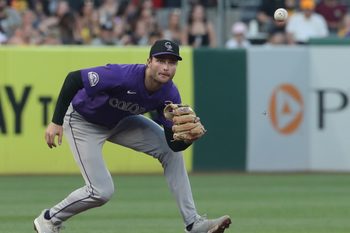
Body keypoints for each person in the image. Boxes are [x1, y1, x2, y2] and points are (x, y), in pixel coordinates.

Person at [33, 39, 231, 233]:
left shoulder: (169, 93)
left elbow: (173, 145)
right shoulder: (122, 75)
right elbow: (73, 78)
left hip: (120, 121)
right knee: (101, 191)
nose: (166, 67)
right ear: (149, 61)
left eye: (172, 62)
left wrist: (186, 140)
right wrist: (56, 121)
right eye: (161, 60)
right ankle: (49, 219)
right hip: (83, 121)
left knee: (172, 155)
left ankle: (193, 223)